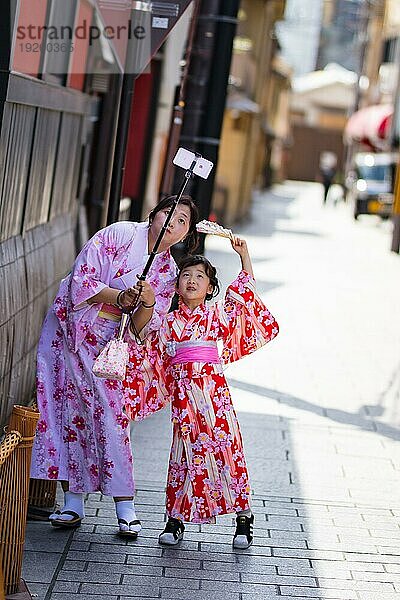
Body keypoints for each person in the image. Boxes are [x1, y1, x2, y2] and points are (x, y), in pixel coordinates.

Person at [30, 195, 199, 536]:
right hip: (72, 330)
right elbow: (82, 281)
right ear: (154, 214)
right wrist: (119, 297)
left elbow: (141, 329)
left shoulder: (167, 273)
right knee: (69, 412)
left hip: (112, 343)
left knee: (112, 417)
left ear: (184, 236)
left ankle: (125, 505)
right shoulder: (119, 234)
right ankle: (72, 503)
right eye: (169, 212)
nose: (172, 222)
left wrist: (147, 302)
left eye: (182, 221)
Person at [123, 237, 279, 548]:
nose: (192, 280)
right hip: (184, 402)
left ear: (209, 288)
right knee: (183, 456)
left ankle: (243, 519)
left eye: (200, 276)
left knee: (227, 454)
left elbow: (244, 291)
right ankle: (175, 520)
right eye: (186, 275)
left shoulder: (216, 316)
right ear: (177, 285)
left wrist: (244, 253)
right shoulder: (167, 323)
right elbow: (144, 344)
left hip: (215, 399)